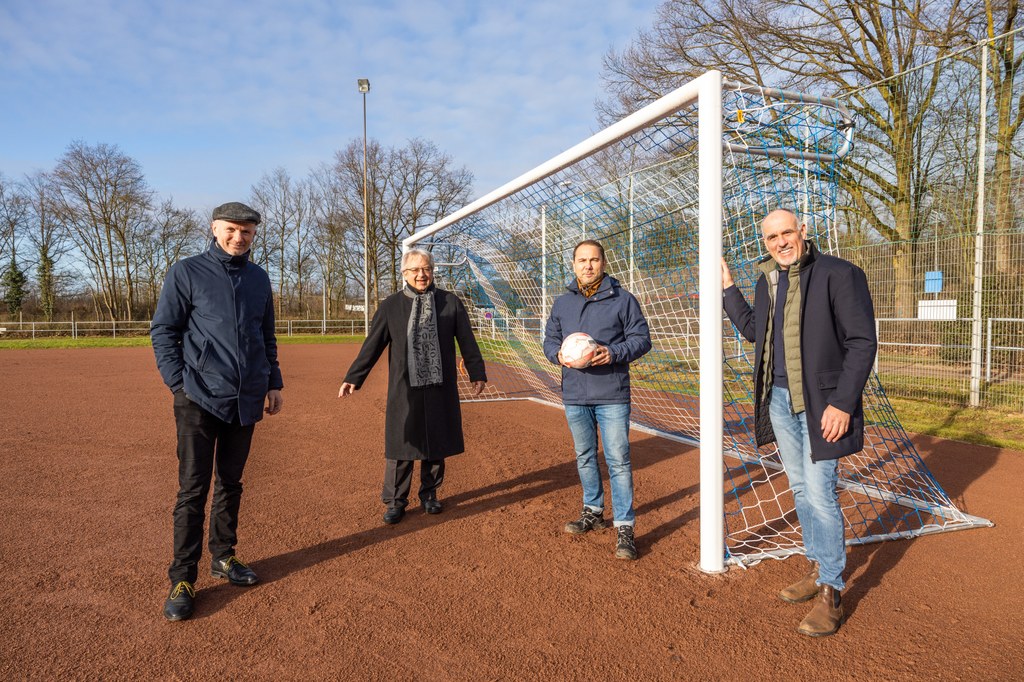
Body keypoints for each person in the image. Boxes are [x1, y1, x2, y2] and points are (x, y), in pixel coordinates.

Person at [721, 208, 876, 637]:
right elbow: (756, 331)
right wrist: (728, 288)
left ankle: (831, 589)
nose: (780, 242)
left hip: (823, 404)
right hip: (780, 401)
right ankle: (817, 565)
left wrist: (843, 403)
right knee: (799, 488)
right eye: (771, 237)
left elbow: (862, 343)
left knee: (822, 492)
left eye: (787, 233)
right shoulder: (767, 280)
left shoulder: (839, 274)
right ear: (765, 242)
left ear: (803, 232)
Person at [151, 201, 284, 622]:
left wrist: (273, 381)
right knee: (192, 490)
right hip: (199, 399)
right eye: (231, 229)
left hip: (245, 400)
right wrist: (179, 383)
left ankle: (223, 557)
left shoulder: (260, 278)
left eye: (246, 231)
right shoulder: (186, 272)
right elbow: (164, 330)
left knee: (231, 482)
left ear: (254, 235)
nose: (238, 237)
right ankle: (182, 578)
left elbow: (267, 335)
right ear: (214, 229)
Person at [339, 248, 486, 525]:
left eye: (427, 269)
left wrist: (476, 372)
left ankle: (429, 495)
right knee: (401, 443)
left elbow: (467, 340)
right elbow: (373, 345)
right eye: (415, 270)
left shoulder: (450, 302)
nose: (422, 274)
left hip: (439, 385)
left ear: (432, 271)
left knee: (435, 441)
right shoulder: (390, 306)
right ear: (405, 274)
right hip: (404, 387)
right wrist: (354, 377)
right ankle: (395, 501)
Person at [543, 240, 652, 561]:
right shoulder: (562, 303)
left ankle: (625, 526)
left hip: (612, 394)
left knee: (618, 459)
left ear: (603, 263)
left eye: (593, 260)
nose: (587, 266)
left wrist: (613, 352)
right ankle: (593, 510)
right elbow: (550, 339)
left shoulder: (623, 300)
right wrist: (556, 354)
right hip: (575, 393)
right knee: (585, 455)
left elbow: (642, 339)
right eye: (581, 260)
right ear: (573, 264)